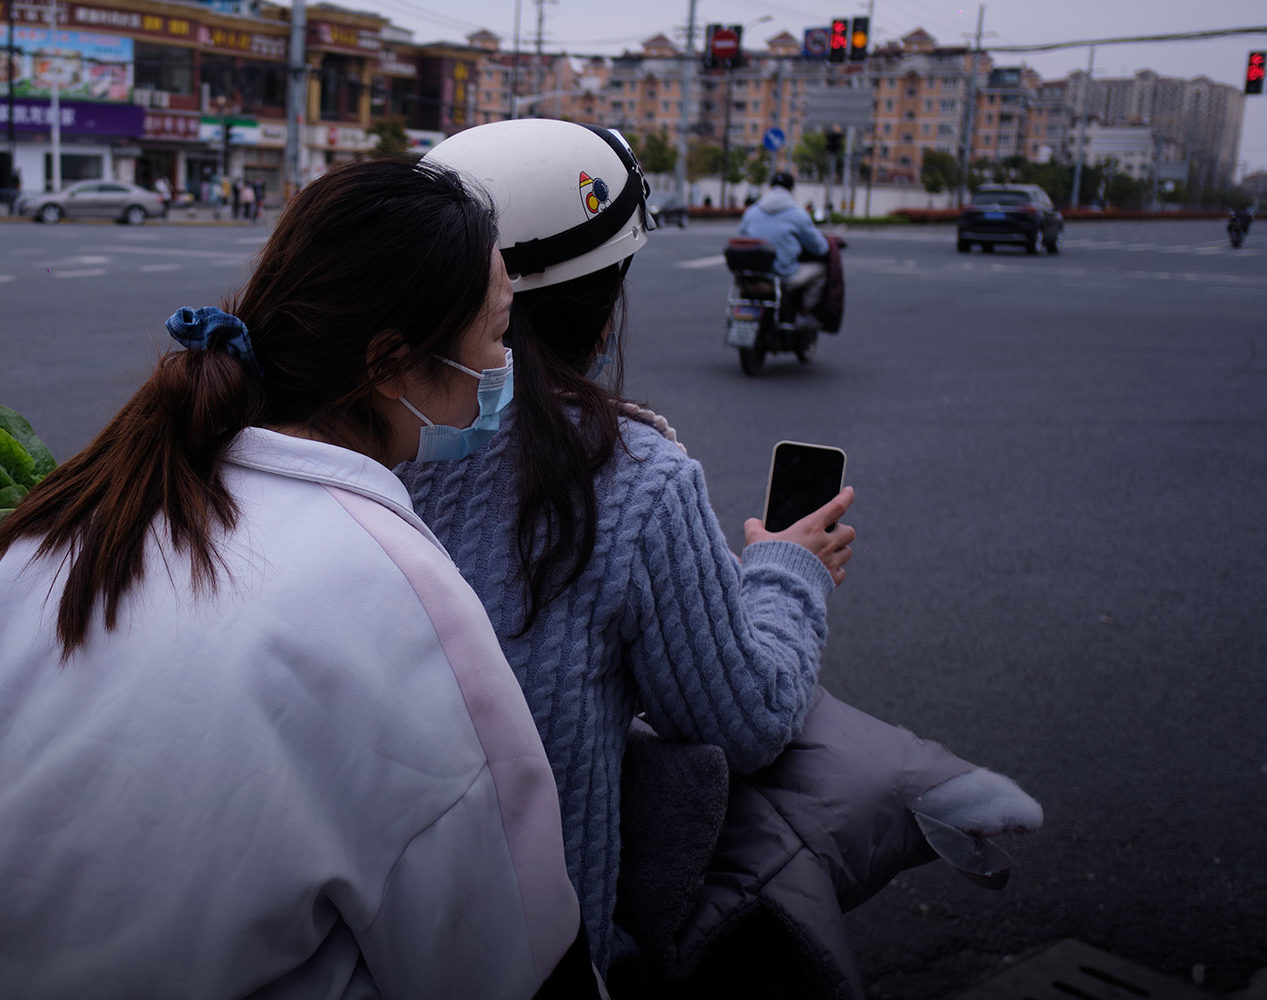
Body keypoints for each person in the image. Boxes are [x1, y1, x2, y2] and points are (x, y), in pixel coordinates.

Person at [0, 157, 602, 998]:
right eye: (496, 333)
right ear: (389, 363)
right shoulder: (397, 586)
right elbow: (501, 946)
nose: (505, 363)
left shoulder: (80, 516)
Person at [410, 119, 1041, 988]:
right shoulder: (628, 477)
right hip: (542, 960)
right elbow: (744, 720)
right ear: (606, 297)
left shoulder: (351, 429)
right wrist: (788, 571)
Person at [740, 170, 829, 315]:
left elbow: (742, 240)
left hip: (753, 275)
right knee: (820, 271)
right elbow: (821, 248)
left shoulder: (751, 212)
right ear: (792, 189)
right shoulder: (798, 214)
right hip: (784, 275)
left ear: (770, 187)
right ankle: (806, 313)